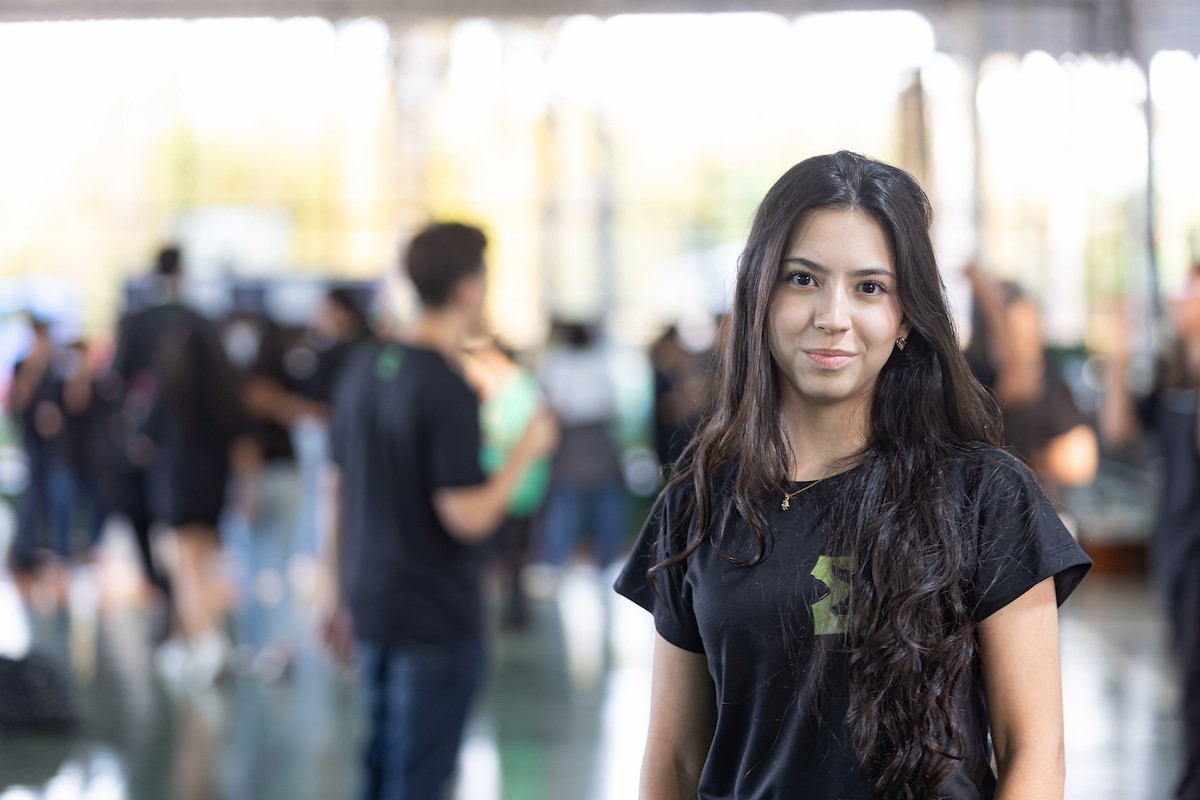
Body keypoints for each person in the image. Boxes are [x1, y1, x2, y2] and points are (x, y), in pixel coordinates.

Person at [614, 151, 1092, 799]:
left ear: (904, 320)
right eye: (803, 279)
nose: (831, 316)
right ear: (758, 293)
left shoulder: (985, 495)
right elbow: (672, 763)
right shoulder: (697, 506)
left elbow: (1034, 750)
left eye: (869, 287)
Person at [320, 221, 557, 800]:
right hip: (431, 616)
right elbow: (466, 515)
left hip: (370, 602)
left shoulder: (363, 369)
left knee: (378, 767)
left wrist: (334, 592)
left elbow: (336, 492)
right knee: (419, 778)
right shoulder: (445, 385)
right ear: (469, 288)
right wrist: (525, 452)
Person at [1099, 261, 1200, 799]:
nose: (1182, 299)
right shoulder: (1171, 374)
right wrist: (1117, 354)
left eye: (1192, 290)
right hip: (1180, 556)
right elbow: (1117, 430)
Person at [964, 264, 1098, 504]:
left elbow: (1082, 459)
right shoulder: (976, 371)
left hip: (1038, 504)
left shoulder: (1051, 378)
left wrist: (1044, 459)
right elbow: (1015, 383)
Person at [536, 320, 629, 569]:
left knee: (568, 509)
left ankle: (554, 563)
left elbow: (552, 405)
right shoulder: (598, 361)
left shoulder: (556, 362)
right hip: (595, 439)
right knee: (589, 508)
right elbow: (611, 404)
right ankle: (606, 561)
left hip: (574, 441)